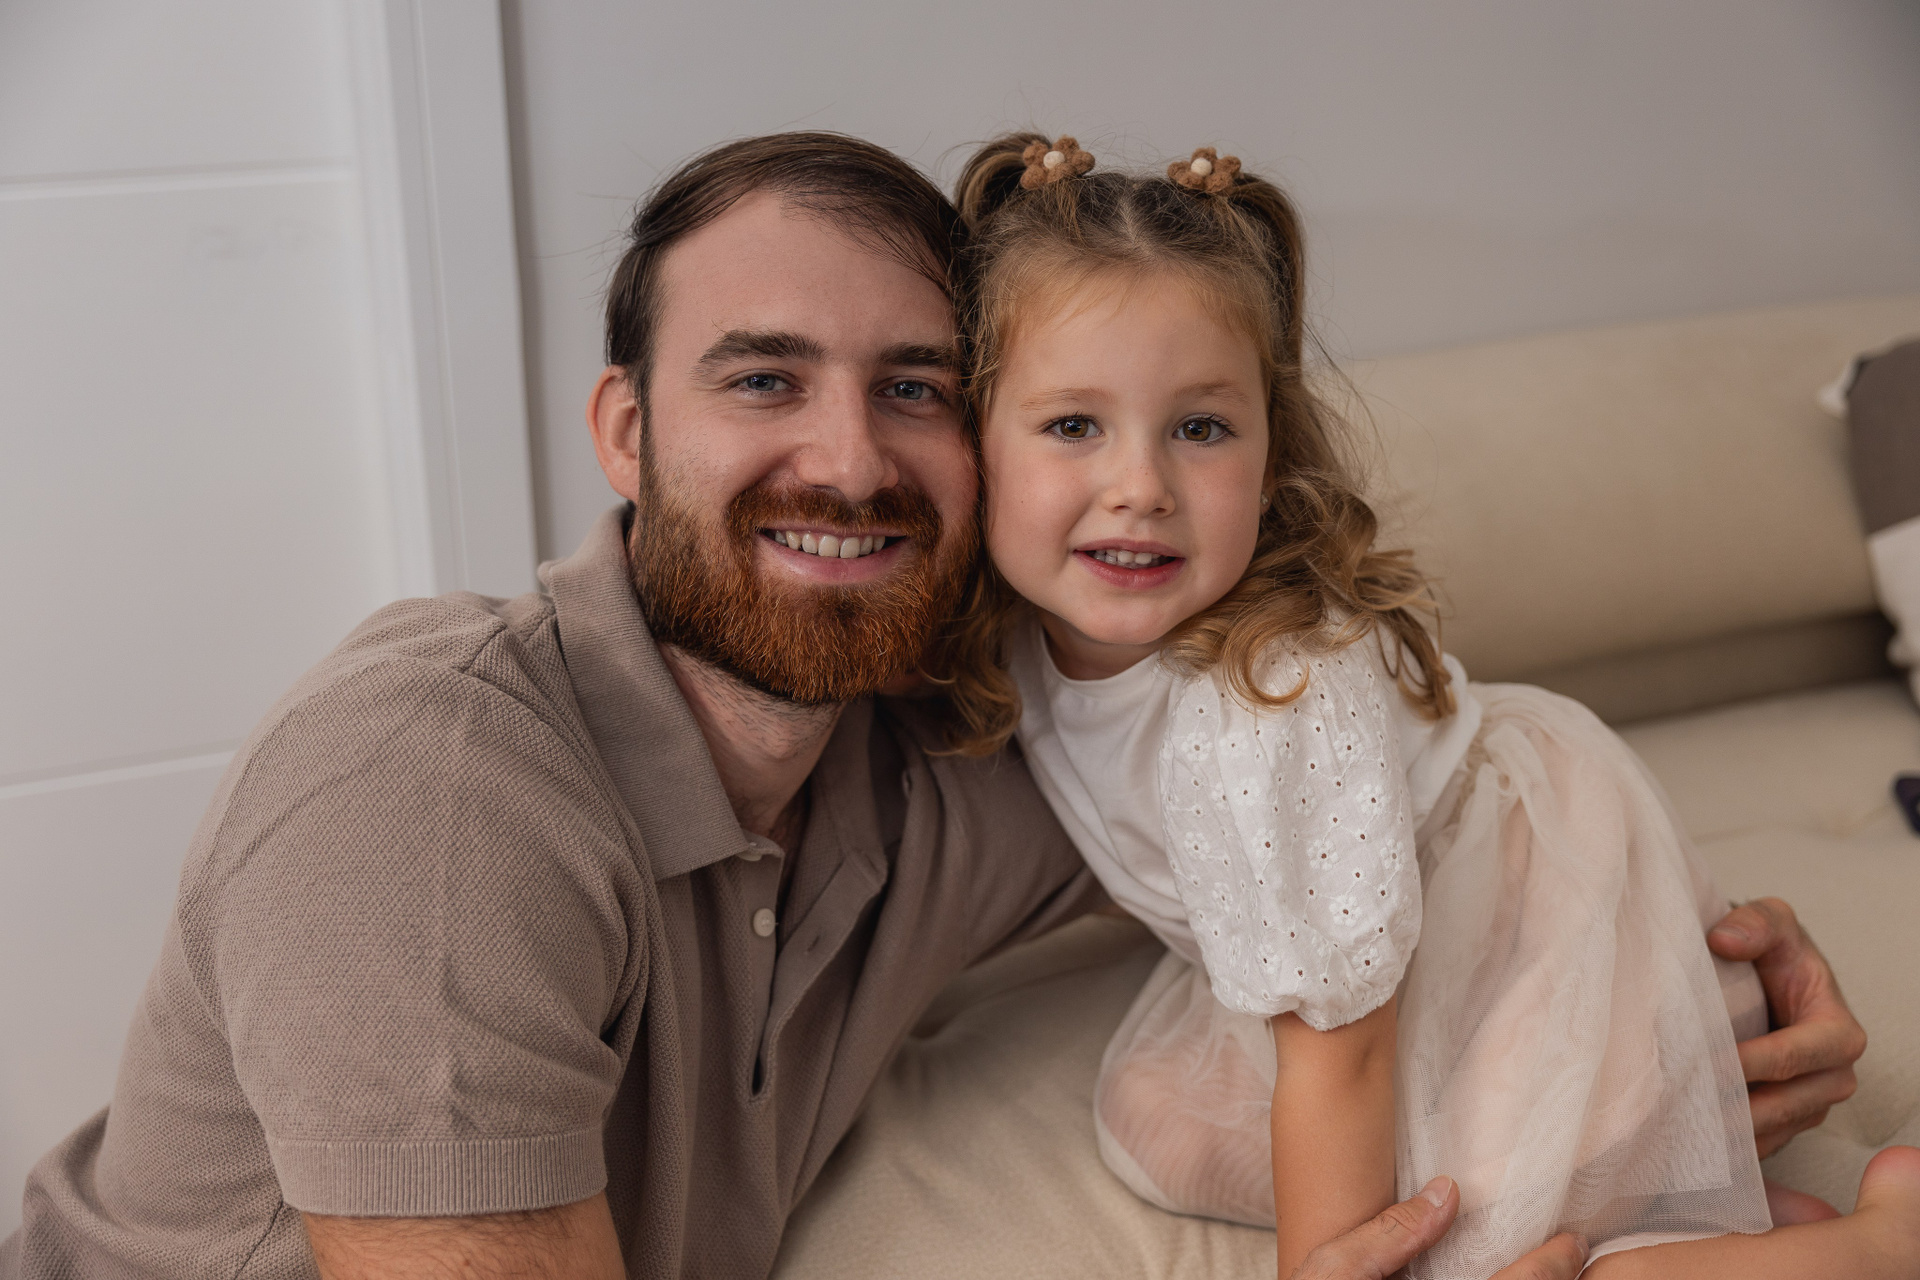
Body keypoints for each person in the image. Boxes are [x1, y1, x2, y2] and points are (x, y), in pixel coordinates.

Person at [0, 132, 1873, 1280]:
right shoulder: (432, 788)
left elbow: (1351, 843)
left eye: (912, 387)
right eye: (762, 379)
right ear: (626, 432)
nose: (847, 457)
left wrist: (1681, 986)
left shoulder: (961, 742)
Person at [936, 132, 1920, 1279]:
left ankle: (1869, 1243)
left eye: (1201, 427)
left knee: (1483, 1253)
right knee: (1155, 1123)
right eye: (1072, 424)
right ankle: (1714, 1211)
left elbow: (1342, 1049)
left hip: (1530, 938)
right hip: (1375, 976)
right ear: (972, 443)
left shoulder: (1268, 696)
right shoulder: (1017, 632)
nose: (1140, 487)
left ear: (1271, 450)